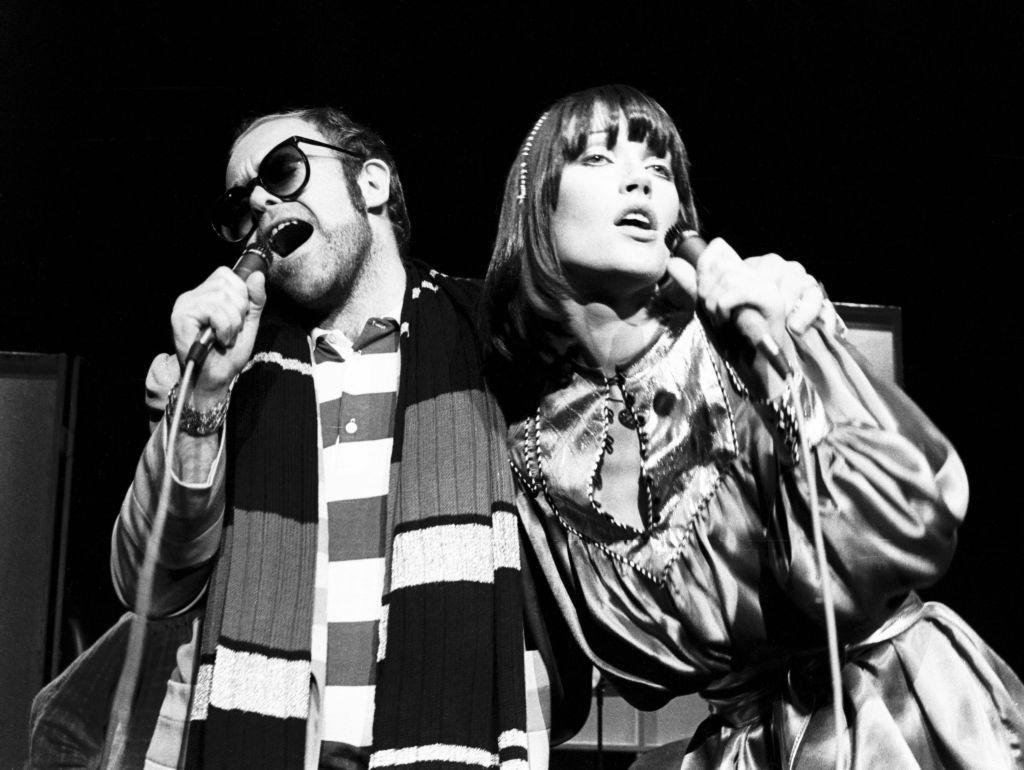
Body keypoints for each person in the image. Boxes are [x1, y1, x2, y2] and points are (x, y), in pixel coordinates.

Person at [482, 84, 1024, 768]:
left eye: (660, 171)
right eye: (598, 158)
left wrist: (775, 367)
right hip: (742, 749)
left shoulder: (750, 321)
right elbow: (563, 687)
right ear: (536, 204)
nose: (641, 182)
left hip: (904, 721)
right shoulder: (529, 454)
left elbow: (912, 524)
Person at [94, 107, 587, 769]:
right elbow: (149, 584)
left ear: (373, 184)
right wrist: (203, 398)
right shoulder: (238, 373)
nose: (262, 201)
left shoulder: (495, 338)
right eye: (240, 206)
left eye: (284, 170)